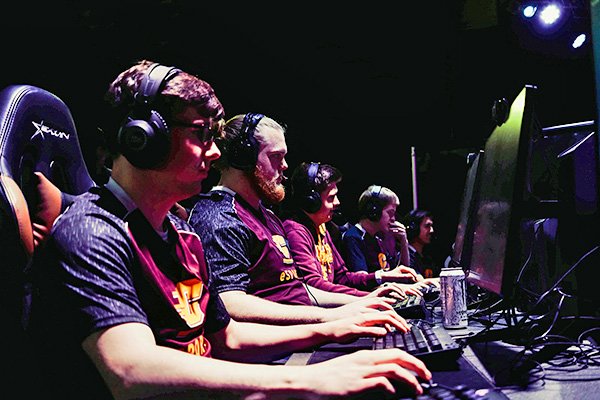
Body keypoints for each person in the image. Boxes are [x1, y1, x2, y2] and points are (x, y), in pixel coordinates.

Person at [26, 61, 430, 399]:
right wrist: (306, 378)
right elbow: (130, 369)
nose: (216, 151)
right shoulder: (91, 233)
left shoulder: (183, 236)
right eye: (201, 134)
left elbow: (227, 337)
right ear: (143, 139)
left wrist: (333, 328)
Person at [188, 113, 411, 322]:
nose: (285, 166)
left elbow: (299, 290)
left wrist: (367, 300)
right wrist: (329, 319)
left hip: (302, 333)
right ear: (243, 157)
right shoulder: (218, 216)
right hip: (278, 355)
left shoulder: (269, 218)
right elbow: (229, 302)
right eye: (276, 157)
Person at [281, 161, 424, 297]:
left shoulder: (323, 228)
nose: (337, 202)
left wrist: (381, 276)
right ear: (311, 201)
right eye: (331, 198)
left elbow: (342, 278)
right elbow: (314, 286)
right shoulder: (296, 231)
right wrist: (369, 296)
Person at [342, 184, 412, 274]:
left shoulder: (377, 238)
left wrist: (404, 242)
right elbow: (363, 281)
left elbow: (402, 273)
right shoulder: (353, 238)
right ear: (374, 212)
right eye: (390, 213)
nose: (394, 218)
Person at [402, 208, 438, 278]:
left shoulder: (427, 258)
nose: (432, 230)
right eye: (427, 226)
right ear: (414, 229)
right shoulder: (406, 257)